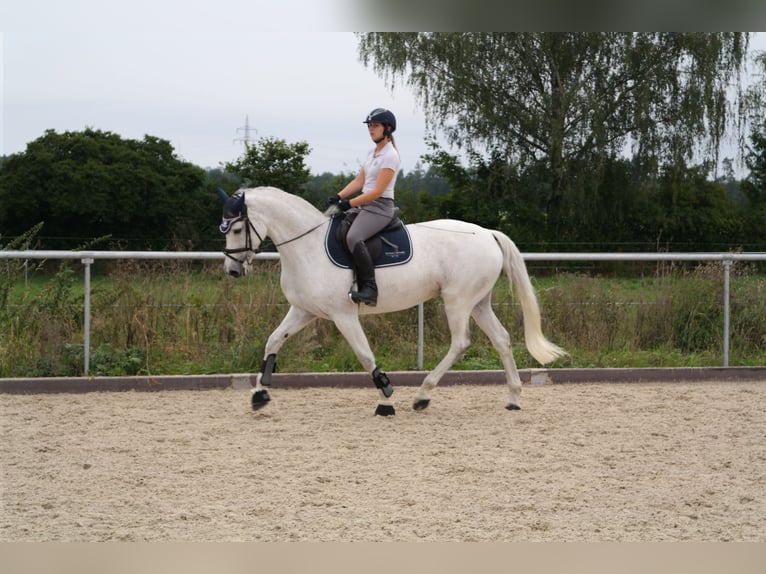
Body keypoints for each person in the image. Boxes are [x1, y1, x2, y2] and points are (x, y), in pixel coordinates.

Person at [327, 108, 401, 307]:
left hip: (380, 207)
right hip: (365, 206)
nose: (371, 130)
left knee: (353, 237)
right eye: (369, 126)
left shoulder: (390, 155)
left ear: (388, 128)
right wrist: (339, 196)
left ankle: (369, 289)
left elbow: (377, 191)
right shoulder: (372, 152)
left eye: (375, 126)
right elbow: (360, 181)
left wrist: (349, 203)